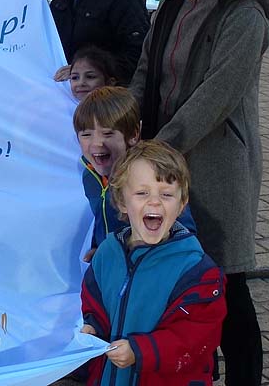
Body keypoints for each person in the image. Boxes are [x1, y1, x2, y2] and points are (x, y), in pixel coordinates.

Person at [130, 0, 269, 386]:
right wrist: (125, 125)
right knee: (185, 279)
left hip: (217, 165)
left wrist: (158, 149)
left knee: (227, 282)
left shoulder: (244, 11)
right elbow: (146, 73)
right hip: (166, 163)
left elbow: (217, 94)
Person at [80, 140, 226, 385]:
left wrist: (141, 350)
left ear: (181, 204)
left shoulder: (197, 271)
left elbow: (196, 335)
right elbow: (94, 300)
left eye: (166, 194)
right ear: (122, 202)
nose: (155, 202)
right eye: (142, 193)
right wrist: (92, 326)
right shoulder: (107, 253)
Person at [74, 86, 196, 260]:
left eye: (108, 133)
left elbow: (184, 229)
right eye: (86, 135)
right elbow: (102, 218)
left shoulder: (151, 172)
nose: (97, 143)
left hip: (153, 267)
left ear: (133, 134)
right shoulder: (90, 176)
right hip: (116, 266)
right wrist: (98, 248)